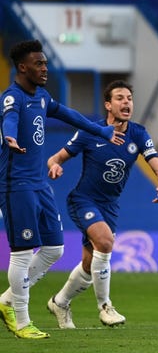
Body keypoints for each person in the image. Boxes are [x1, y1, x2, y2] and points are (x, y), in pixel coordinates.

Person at [0, 39, 124, 339]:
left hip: (39, 184)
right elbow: (10, 118)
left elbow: (70, 115)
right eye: (39, 64)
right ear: (22, 67)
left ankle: (6, 300)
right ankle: (21, 319)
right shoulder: (12, 98)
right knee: (21, 253)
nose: (45, 68)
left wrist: (103, 130)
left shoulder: (41, 97)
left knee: (54, 248)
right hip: (16, 186)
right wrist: (9, 136)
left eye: (45, 63)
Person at [44, 80, 158, 329]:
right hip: (83, 199)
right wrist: (54, 165)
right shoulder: (89, 131)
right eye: (120, 98)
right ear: (108, 104)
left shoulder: (138, 134)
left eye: (129, 98)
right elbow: (55, 157)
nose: (126, 102)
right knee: (105, 242)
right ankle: (105, 307)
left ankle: (60, 302)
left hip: (109, 206)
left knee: (89, 263)